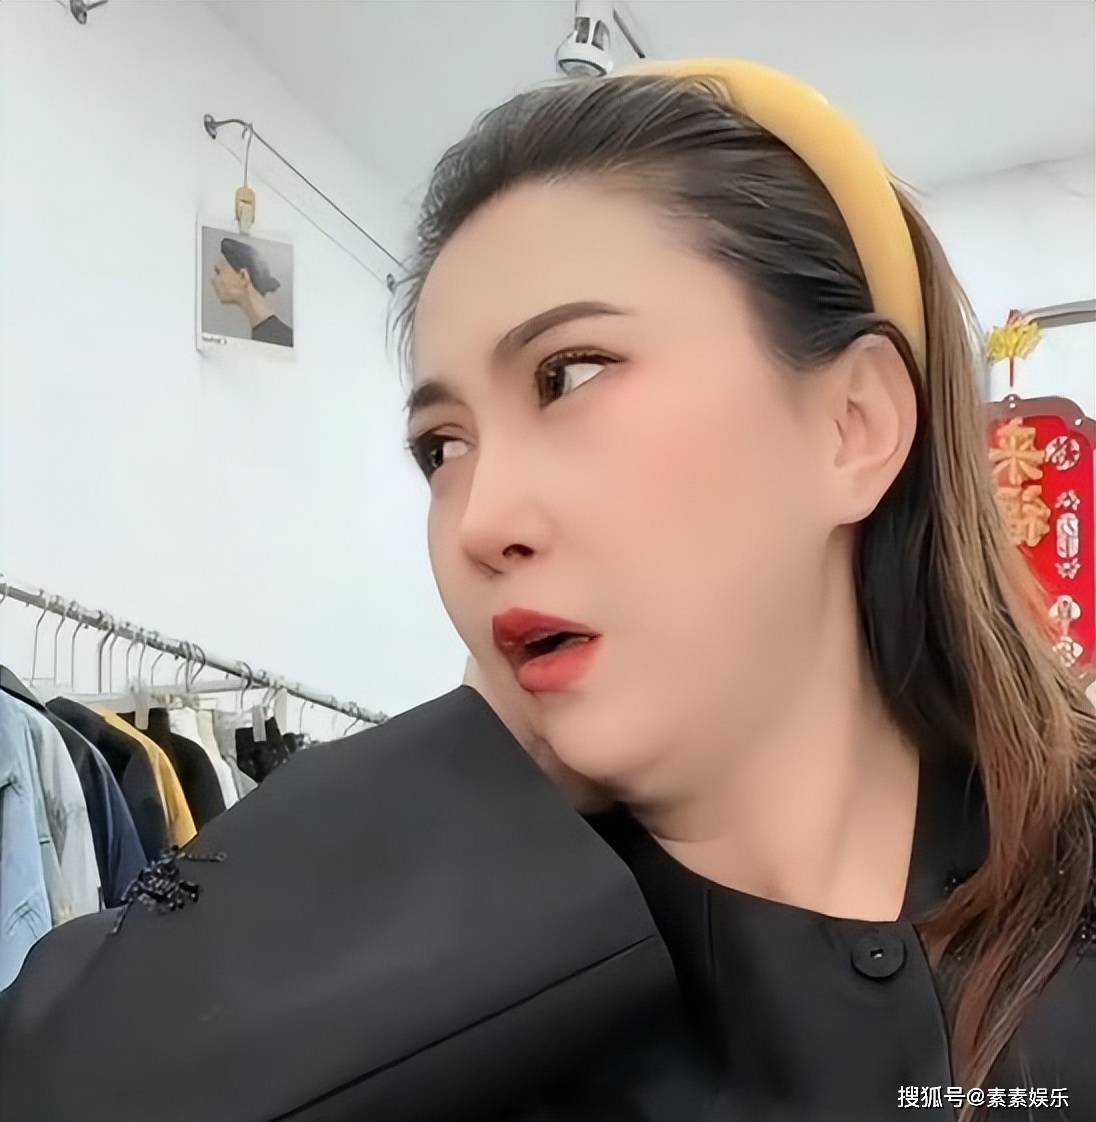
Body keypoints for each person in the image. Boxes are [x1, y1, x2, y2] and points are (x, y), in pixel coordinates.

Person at [1, 58, 1093, 1122]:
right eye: (442, 447)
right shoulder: (442, 1006)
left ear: (852, 425)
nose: (478, 522)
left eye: (568, 375)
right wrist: (456, 782)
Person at [211, 236, 294, 347]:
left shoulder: (272, 338)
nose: (213, 280)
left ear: (243, 277)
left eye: (218, 272)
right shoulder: (270, 333)